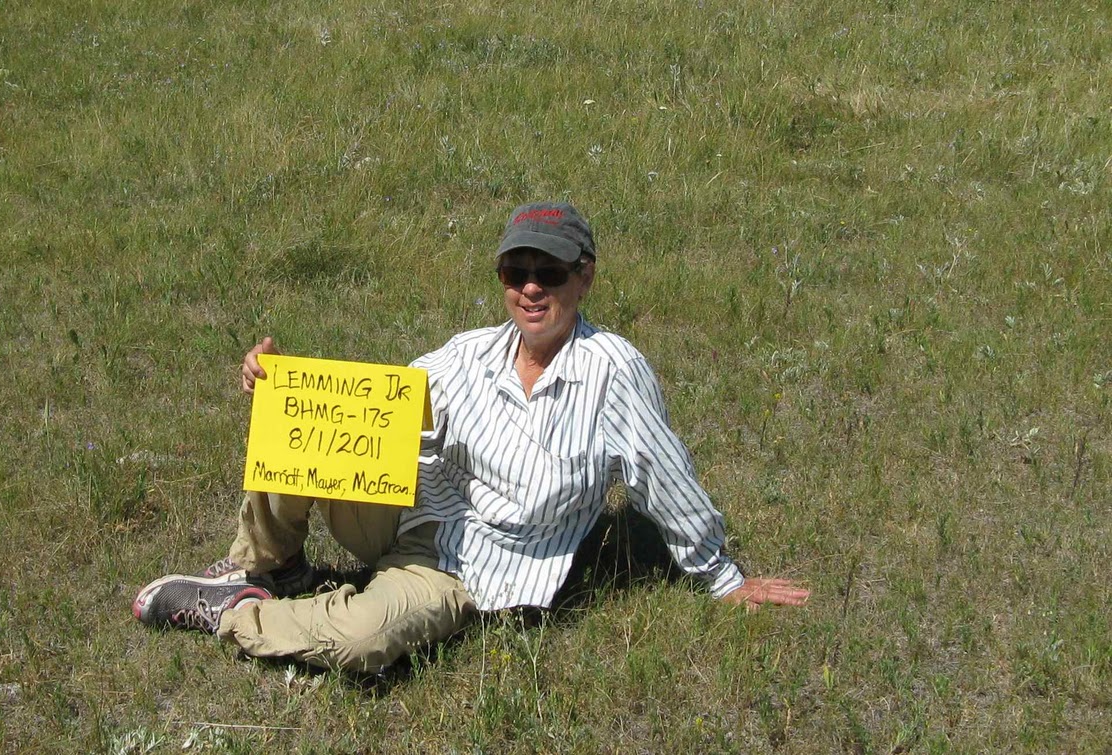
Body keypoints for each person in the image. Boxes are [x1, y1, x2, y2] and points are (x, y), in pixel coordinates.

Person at [133, 201, 809, 674]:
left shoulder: (613, 372)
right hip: (407, 508)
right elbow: (373, 404)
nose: (531, 288)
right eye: (516, 272)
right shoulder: (471, 351)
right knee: (304, 423)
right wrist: (281, 378)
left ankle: (233, 611)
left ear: (585, 276)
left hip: (466, 572)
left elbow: (664, 476)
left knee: (363, 640)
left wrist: (722, 578)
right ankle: (268, 566)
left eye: (550, 272)